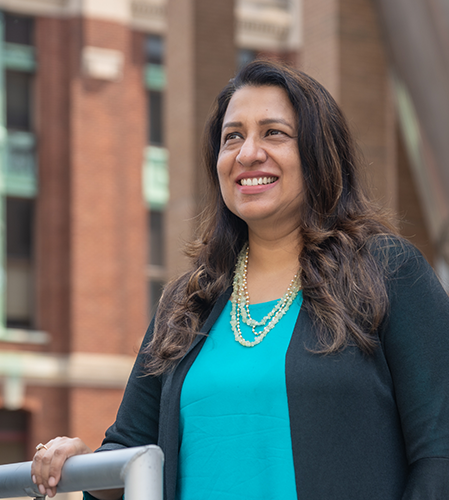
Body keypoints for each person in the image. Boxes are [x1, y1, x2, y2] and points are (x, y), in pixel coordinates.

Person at [30, 60, 449, 499]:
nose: (248, 153)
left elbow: (439, 454)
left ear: (318, 153)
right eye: (233, 137)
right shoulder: (186, 302)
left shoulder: (388, 272)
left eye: (274, 133)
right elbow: (129, 453)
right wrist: (77, 462)